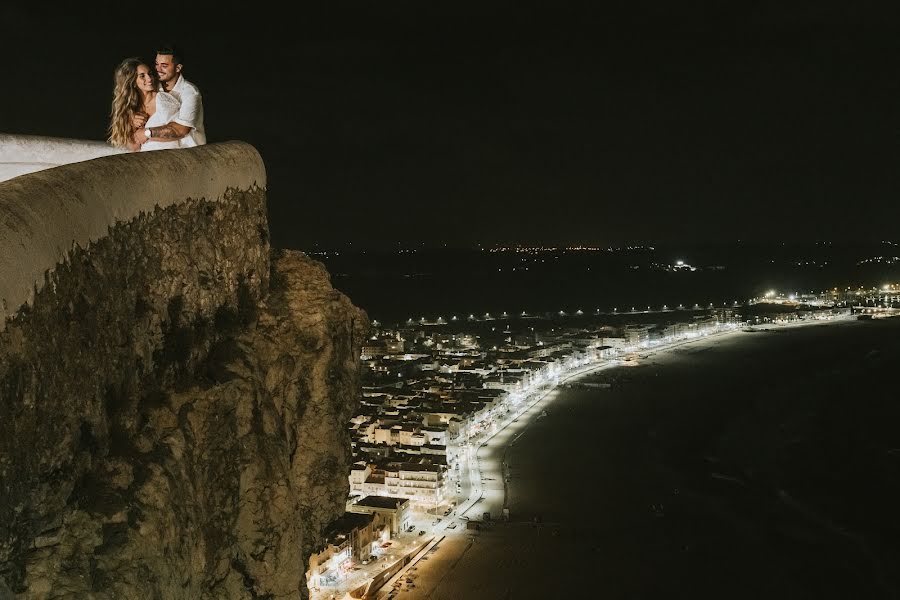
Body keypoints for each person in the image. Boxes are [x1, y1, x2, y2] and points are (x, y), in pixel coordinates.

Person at [133, 44, 205, 148]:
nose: (158, 69)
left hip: (189, 154)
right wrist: (134, 119)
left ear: (178, 68)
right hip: (157, 153)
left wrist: (148, 133)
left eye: (164, 66)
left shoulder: (190, 93)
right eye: (157, 64)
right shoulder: (152, 85)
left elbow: (181, 130)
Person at [108, 58, 173, 151]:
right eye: (142, 76)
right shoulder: (131, 110)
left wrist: (147, 133)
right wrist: (132, 126)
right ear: (133, 82)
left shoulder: (164, 101)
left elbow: (179, 133)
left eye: (149, 74)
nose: (149, 78)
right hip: (147, 159)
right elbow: (134, 148)